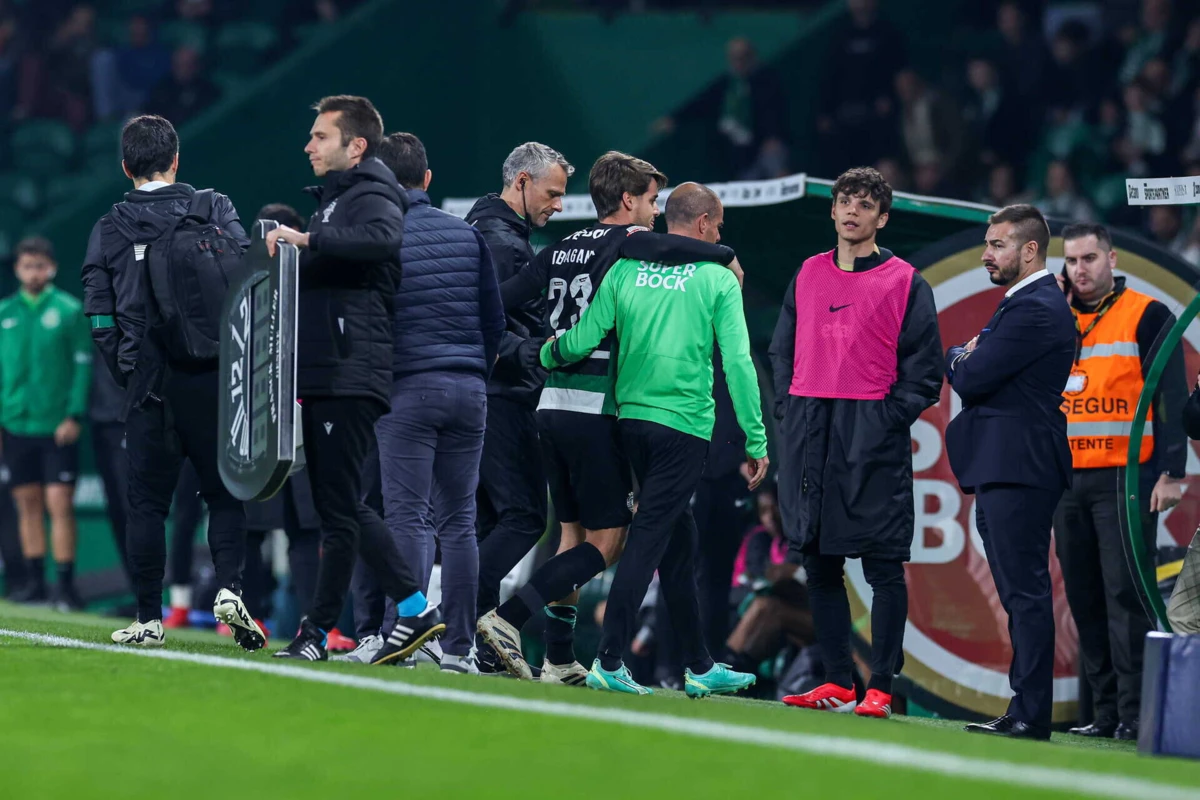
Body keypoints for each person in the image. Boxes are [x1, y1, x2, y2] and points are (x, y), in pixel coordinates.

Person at [477, 153, 740, 683]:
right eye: (648, 200)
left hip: (548, 403)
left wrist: (518, 348)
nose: (653, 213)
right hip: (598, 409)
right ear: (627, 200)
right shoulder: (630, 245)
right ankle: (507, 619)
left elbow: (494, 303)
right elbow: (675, 246)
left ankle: (557, 656)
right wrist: (725, 256)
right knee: (607, 543)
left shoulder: (555, 250)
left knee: (571, 536)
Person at [534, 182, 768, 697]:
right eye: (720, 224)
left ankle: (700, 664)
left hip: (626, 423)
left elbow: (586, 337)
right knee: (649, 539)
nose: (720, 232)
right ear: (705, 224)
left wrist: (545, 355)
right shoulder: (718, 277)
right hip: (681, 426)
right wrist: (755, 438)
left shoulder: (627, 267)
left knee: (677, 546)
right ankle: (610, 659)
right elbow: (738, 363)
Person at [267, 96, 440, 664]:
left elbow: (383, 242)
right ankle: (354, 625)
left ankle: (409, 611)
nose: (308, 146)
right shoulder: (338, 200)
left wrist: (306, 241)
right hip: (329, 367)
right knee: (338, 508)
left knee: (343, 506)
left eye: (320, 136)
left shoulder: (372, 193)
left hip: (350, 367)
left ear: (355, 145)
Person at [81, 114, 261, 649]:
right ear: (176, 159)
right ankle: (229, 589)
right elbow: (247, 284)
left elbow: (98, 312)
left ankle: (147, 617)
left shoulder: (109, 225)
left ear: (125, 165)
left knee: (147, 504)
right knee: (225, 495)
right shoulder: (215, 208)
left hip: (148, 384)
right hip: (212, 374)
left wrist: (126, 368)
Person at [770, 167, 942, 720]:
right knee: (818, 563)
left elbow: (925, 373)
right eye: (845, 201)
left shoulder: (905, 281)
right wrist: (788, 412)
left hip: (869, 432)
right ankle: (839, 680)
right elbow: (780, 351)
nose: (852, 211)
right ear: (833, 210)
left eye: (865, 205)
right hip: (809, 426)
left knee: (883, 565)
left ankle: (882, 687)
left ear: (881, 218)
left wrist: (884, 419)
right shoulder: (807, 273)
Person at [361, 132, 505, 674]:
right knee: (459, 523)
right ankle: (459, 650)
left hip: (408, 390)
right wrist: (471, 371)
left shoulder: (379, 237)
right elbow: (494, 323)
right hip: (469, 391)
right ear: (426, 179)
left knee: (407, 518)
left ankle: (398, 636)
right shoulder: (468, 236)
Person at [946, 204, 1075, 741]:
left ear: (1029, 250)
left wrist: (959, 355)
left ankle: (1030, 714)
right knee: (1019, 593)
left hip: (1019, 465)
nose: (986, 254)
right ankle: (1024, 707)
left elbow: (972, 376)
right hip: (1011, 464)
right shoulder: (1026, 303)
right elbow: (972, 364)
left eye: (997, 244)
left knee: (1024, 593)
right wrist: (964, 354)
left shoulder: (1036, 307)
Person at [1054, 223, 1187, 741]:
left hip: (1125, 479)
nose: (1080, 270)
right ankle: (1104, 713)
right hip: (1067, 481)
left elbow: (1171, 398)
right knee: (1085, 599)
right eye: (1071, 261)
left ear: (1112, 259)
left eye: (1089, 258)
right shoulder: (1056, 318)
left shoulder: (1148, 314)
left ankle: (1134, 716)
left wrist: (1173, 473)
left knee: (1125, 596)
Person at [463, 142, 568, 655]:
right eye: (553, 193)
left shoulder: (483, 229)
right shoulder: (504, 244)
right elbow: (488, 328)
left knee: (490, 522)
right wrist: (543, 352)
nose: (559, 205)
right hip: (503, 395)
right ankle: (455, 618)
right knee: (525, 515)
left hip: (483, 393)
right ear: (522, 182)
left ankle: (476, 641)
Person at [0, 236, 91, 609]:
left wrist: (73, 414)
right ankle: (35, 584)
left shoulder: (69, 310)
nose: (33, 272)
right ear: (17, 269)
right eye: (26, 265)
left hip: (57, 426)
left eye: (39, 265)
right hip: (16, 423)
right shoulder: (5, 312)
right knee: (27, 503)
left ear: (51, 267)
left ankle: (66, 587)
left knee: (59, 504)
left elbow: (83, 368)